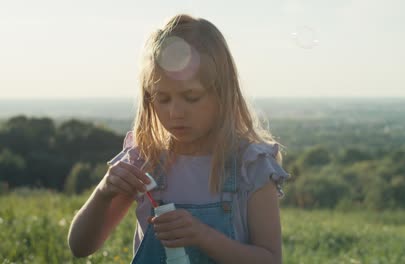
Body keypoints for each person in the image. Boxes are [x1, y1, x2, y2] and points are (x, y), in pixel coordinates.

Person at [68, 14, 289, 264]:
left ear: (223, 95)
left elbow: (271, 259)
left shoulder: (251, 165)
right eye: (163, 99)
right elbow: (80, 246)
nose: (175, 113)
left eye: (191, 97)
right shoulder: (145, 160)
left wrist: (203, 236)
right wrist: (104, 191)